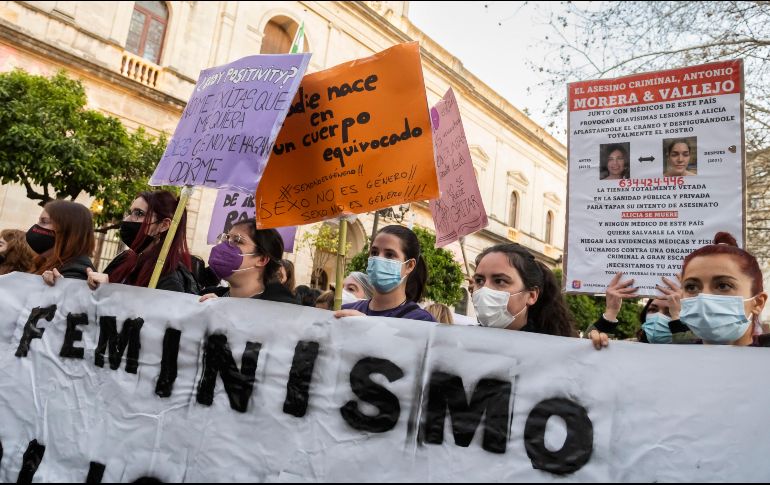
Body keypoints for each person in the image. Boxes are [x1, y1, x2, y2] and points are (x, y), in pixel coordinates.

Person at [86, 191, 198, 293]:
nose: (127, 220)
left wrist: (110, 291)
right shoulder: (124, 259)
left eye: (139, 214)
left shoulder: (170, 278)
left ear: (163, 225)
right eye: (130, 213)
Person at [673, 232, 768, 346]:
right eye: (691, 287)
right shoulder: (676, 359)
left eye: (723, 286)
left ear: (758, 303)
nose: (704, 298)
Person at [334, 225, 435, 322]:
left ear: (409, 265)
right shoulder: (346, 311)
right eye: (374, 252)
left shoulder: (420, 320)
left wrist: (366, 327)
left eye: (389, 254)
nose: (379, 259)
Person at [471, 243, 576, 336]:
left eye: (499, 281)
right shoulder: (462, 341)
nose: (485, 289)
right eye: (479, 281)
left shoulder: (556, 352)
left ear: (531, 296)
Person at [199, 219, 295, 304]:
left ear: (262, 260)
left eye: (237, 241)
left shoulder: (282, 310)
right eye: (227, 238)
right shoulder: (206, 297)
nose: (225, 245)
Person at [29, 200, 95, 285]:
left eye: (44, 222)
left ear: (68, 231)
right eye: (39, 221)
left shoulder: (75, 273)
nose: (36, 227)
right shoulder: (44, 262)